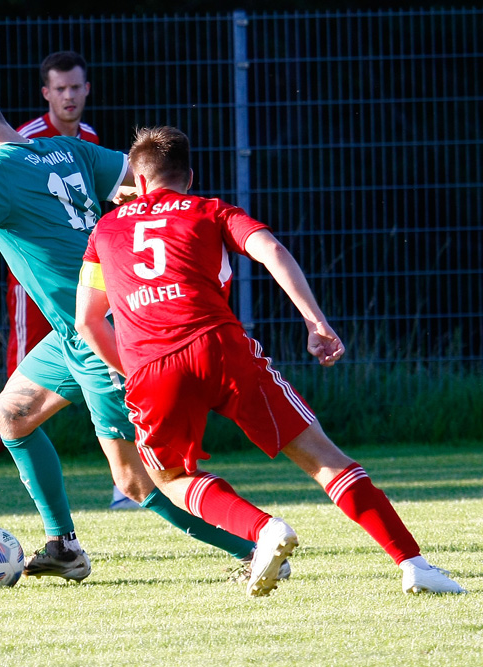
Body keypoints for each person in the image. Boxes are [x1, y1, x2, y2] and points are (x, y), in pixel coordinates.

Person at [0, 78, 266, 582]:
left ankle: (250, 547)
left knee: (138, 481)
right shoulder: (69, 150)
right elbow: (154, 187)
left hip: (106, 336)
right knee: (10, 415)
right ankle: (64, 546)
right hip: (80, 331)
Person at [76, 125, 466, 596]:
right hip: (220, 347)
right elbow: (271, 251)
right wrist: (316, 323)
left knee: (172, 477)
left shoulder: (106, 228)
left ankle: (262, 531)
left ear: (137, 182)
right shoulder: (212, 209)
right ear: (189, 177)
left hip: (152, 367)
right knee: (324, 460)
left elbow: (88, 322)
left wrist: (131, 371)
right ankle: (413, 563)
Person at [0, 51, 140, 514]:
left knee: (77, 382)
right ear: (46, 94)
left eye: (77, 87)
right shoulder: (22, 143)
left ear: (87, 89)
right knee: (23, 396)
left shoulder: (85, 141)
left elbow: (118, 190)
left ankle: (129, 481)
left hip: (91, 285)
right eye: (60, 89)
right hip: (40, 293)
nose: (70, 96)